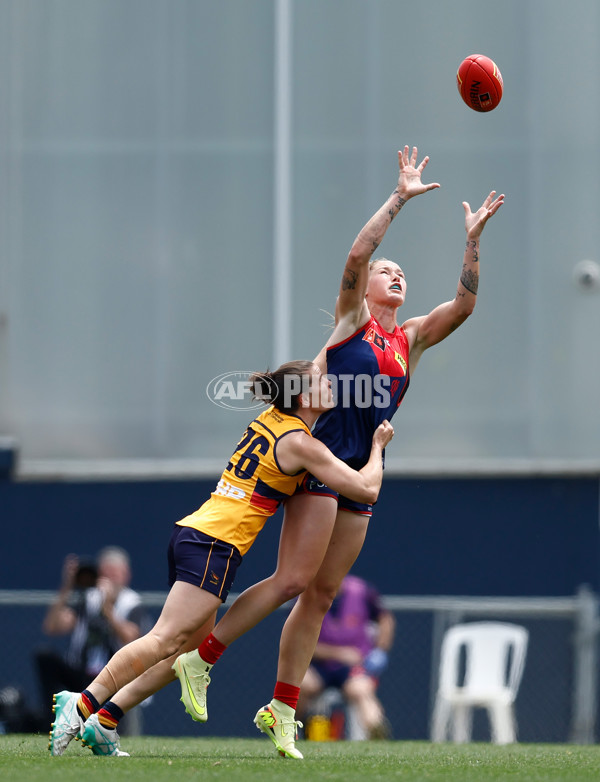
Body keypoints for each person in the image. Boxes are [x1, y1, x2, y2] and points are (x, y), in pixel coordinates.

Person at [173, 146, 502, 760]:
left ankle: (281, 708)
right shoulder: (352, 320)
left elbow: (464, 306)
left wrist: (472, 241)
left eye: (401, 272)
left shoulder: (409, 338)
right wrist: (400, 197)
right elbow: (357, 254)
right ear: (367, 285)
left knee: (321, 595)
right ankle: (202, 657)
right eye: (387, 270)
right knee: (295, 579)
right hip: (320, 460)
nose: (395, 275)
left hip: (364, 466)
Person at [47, 359, 394, 756]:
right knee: (163, 639)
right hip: (214, 544)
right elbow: (366, 490)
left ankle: (106, 720)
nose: (329, 383)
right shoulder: (303, 444)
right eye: (320, 380)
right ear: (301, 396)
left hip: (196, 535)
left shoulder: (271, 419)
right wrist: (377, 446)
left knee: (183, 653)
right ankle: (82, 702)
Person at [35, 547, 149, 734]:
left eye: (114, 574)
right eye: (105, 574)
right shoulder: (88, 598)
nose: (109, 580)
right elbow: (52, 627)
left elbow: (131, 637)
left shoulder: (131, 603)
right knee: (44, 656)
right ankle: (52, 721)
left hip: (113, 678)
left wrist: (108, 609)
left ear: (126, 575)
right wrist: (68, 586)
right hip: (82, 673)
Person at [297, 574, 395, 741]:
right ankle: (290, 729)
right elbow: (298, 643)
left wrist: (380, 651)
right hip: (318, 665)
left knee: (362, 690)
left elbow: (385, 619)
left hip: (353, 668)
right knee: (301, 685)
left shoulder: (362, 591)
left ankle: (377, 733)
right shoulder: (306, 595)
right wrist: (339, 654)